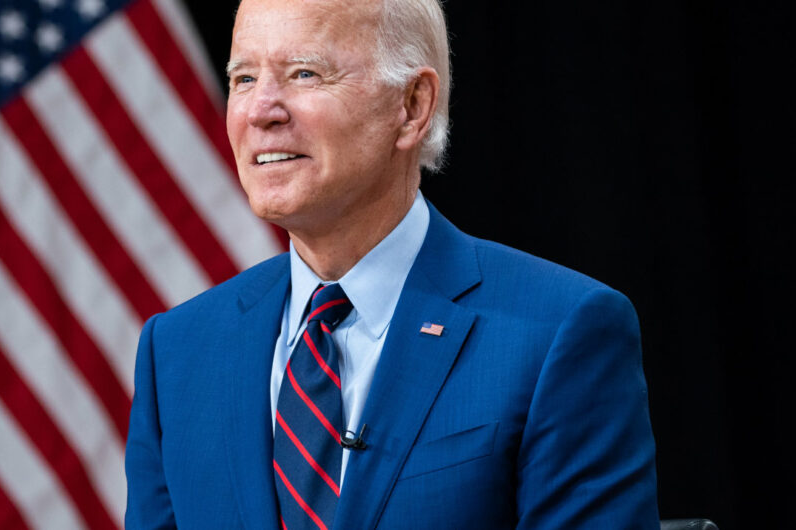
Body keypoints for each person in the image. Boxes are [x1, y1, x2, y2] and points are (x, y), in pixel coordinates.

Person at [125, 0, 659, 527]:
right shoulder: (176, 352)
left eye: (304, 73)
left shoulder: (559, 333)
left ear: (411, 105)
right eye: (243, 78)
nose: (260, 111)